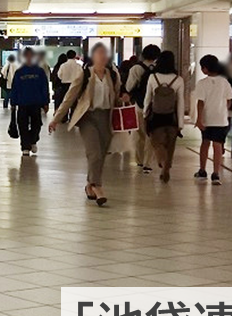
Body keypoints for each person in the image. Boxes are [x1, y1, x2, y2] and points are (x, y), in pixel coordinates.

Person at [49, 43, 128, 206]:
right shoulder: (84, 74)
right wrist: (56, 118)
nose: (102, 56)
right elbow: (69, 97)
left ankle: (89, 184)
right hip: (88, 118)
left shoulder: (112, 75)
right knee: (94, 153)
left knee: (102, 154)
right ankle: (98, 187)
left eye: (104, 53)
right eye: (99, 53)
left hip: (107, 117)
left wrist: (123, 100)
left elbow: (116, 97)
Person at [142, 51, 186, 182]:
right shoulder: (178, 80)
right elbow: (181, 102)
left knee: (157, 143)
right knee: (170, 144)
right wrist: (181, 123)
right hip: (172, 117)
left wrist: (145, 113)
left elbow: (148, 98)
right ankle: (166, 167)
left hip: (156, 116)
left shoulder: (153, 77)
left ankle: (162, 161)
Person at [193, 55, 232, 186]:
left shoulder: (202, 83)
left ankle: (202, 170)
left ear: (205, 68)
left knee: (205, 143)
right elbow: (229, 100)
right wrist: (223, 110)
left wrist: (199, 119)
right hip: (221, 119)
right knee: (218, 146)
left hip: (207, 119)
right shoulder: (224, 82)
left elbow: (200, 103)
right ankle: (216, 174)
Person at [125, 45, 160, 172]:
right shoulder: (160, 69)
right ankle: (148, 163)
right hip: (155, 106)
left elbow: (129, 87)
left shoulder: (136, 68)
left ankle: (139, 160)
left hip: (139, 105)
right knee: (151, 134)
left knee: (139, 134)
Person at [11, 48, 51, 156]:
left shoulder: (39, 72)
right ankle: (25, 146)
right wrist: (13, 103)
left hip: (36, 103)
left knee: (36, 124)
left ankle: (33, 140)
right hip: (22, 103)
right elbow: (15, 88)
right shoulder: (19, 73)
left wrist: (46, 102)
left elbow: (44, 87)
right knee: (22, 125)